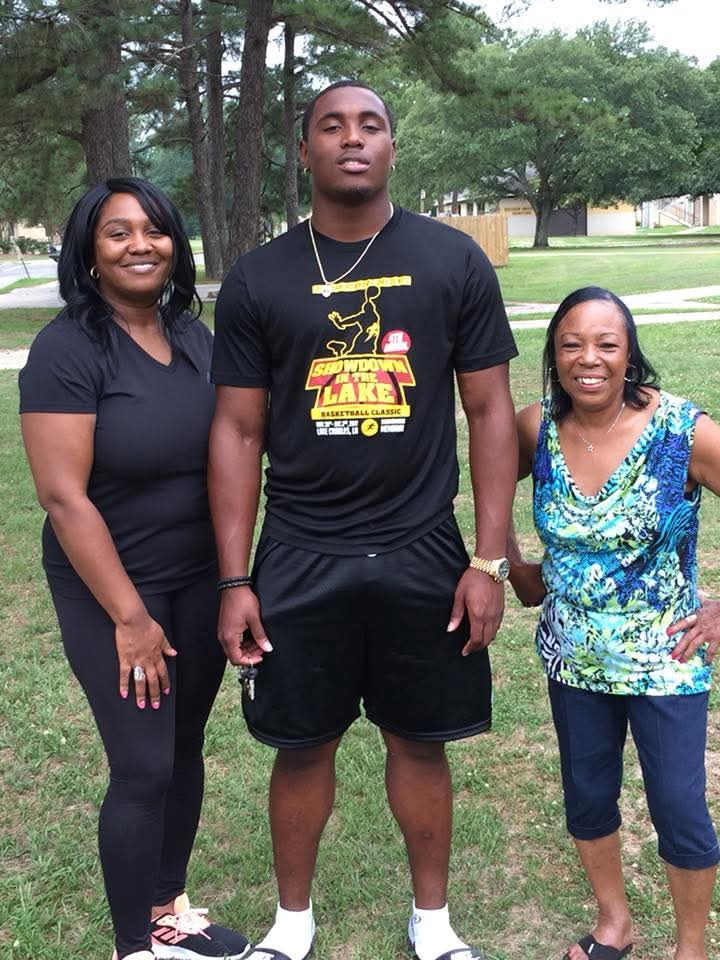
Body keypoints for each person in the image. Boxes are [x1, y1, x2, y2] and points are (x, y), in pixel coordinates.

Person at [209, 80, 518, 960]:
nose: (353, 139)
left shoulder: (453, 261)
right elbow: (235, 431)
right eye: (331, 127)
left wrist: (487, 562)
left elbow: (491, 413)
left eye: (370, 125)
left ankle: (434, 927)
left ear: (392, 147)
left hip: (424, 548)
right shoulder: (260, 277)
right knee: (301, 747)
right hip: (301, 551)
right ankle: (291, 927)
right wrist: (237, 579)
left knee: (421, 743)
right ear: (303, 152)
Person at [19, 178, 251, 960]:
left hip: (193, 579)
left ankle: (164, 910)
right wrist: (130, 617)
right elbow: (62, 495)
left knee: (183, 746)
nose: (140, 244)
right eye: (118, 233)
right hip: (110, 589)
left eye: (154, 230)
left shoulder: (192, 335)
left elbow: (234, 448)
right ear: (88, 250)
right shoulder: (67, 348)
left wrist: (230, 581)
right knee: (143, 765)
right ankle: (132, 949)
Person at [508, 286, 720, 960]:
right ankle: (614, 923)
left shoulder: (682, 431)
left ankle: (690, 949)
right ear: (554, 354)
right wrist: (509, 565)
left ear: (630, 356)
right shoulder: (533, 426)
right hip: (572, 655)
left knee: (680, 810)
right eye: (571, 344)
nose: (588, 358)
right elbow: (484, 494)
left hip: (665, 655)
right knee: (588, 795)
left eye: (606, 344)